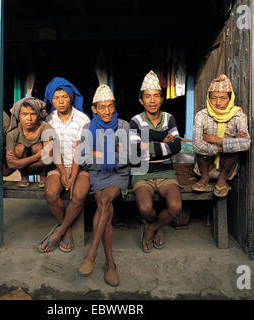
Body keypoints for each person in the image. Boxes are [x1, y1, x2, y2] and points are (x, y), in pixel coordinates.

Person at [77, 84, 129, 287]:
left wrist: (98, 153)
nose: (107, 111)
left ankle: (91, 253)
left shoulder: (123, 126)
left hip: (119, 175)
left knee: (105, 200)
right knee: (104, 205)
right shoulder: (87, 128)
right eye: (102, 107)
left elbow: (127, 158)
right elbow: (84, 160)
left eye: (111, 106)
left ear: (115, 107)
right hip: (97, 175)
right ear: (94, 109)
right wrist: (112, 152)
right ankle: (109, 262)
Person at [130, 70, 182, 253]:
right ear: (141, 100)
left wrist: (149, 145)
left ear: (161, 99)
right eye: (147, 97)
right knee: (145, 209)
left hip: (166, 172)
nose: (152, 100)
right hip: (142, 172)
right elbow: (135, 151)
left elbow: (176, 147)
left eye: (156, 96)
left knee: (176, 207)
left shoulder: (169, 118)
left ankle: (152, 229)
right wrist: (162, 143)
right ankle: (152, 223)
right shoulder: (135, 121)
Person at [38, 77, 90, 253]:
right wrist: (62, 173)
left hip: (80, 167)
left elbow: (79, 150)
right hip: (57, 166)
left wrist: (73, 175)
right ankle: (66, 231)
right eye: (56, 97)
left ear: (71, 98)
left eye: (64, 96)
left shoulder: (83, 119)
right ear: (52, 100)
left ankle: (59, 231)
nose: (60, 101)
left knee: (80, 194)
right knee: (51, 194)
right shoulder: (49, 120)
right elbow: (54, 148)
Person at [192, 74, 251, 197]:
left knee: (233, 152)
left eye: (223, 98)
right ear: (208, 99)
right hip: (205, 165)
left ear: (230, 98)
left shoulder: (239, 116)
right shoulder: (201, 116)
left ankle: (222, 178)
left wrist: (213, 139)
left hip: (228, 166)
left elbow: (246, 143)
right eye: (214, 98)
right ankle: (204, 177)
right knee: (205, 151)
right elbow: (197, 145)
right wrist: (231, 142)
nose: (218, 103)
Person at [5, 97, 55, 187]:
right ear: (18, 116)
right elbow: (10, 164)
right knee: (19, 148)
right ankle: (24, 177)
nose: (29, 118)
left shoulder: (46, 128)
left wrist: (20, 163)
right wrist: (37, 156)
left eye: (33, 114)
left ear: (38, 115)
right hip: (33, 162)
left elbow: (48, 159)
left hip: (42, 166)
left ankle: (43, 176)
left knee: (37, 146)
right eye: (24, 114)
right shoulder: (12, 134)